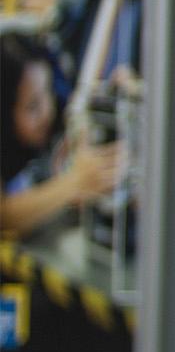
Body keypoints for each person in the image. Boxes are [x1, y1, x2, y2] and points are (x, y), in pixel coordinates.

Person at [0, 34, 119, 241]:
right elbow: (5, 216)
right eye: (32, 106)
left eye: (47, 91)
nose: (47, 111)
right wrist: (74, 182)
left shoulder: (53, 128)